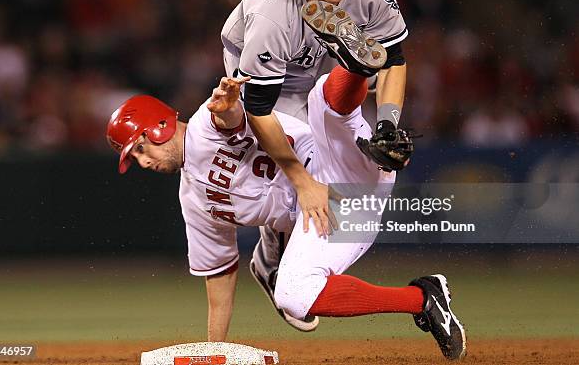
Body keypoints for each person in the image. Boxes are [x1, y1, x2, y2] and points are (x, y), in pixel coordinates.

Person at [105, 67, 466, 361]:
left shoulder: (204, 124)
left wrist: (230, 103)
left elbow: (228, 119)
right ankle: (423, 299)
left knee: (322, 99)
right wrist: (214, 351)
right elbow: (218, 275)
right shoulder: (194, 202)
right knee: (293, 296)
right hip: (339, 211)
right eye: (133, 158)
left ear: (159, 127)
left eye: (138, 149)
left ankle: (360, 59)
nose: (141, 161)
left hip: (335, 161)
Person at [221, 0, 409, 330]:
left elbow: (395, 61)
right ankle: (272, 262)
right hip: (264, 74)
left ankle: (352, 67)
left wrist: (389, 124)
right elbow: (260, 110)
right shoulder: (271, 18)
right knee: (301, 175)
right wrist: (303, 183)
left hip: (315, 65)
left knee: (345, 94)